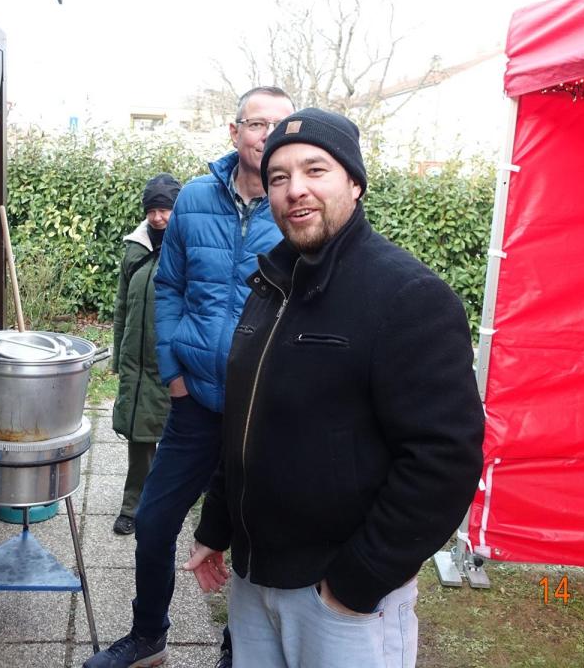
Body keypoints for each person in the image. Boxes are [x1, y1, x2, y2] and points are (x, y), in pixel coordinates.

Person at [185, 108, 485, 668]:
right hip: (254, 582)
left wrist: (356, 581)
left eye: (315, 170)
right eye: (279, 177)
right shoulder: (270, 285)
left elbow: (445, 459)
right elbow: (245, 422)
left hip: (341, 602)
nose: (295, 189)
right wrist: (217, 526)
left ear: (355, 182)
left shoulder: (407, 296)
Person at [84, 86, 295, 668]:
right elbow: (170, 286)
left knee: (252, 531)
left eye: (280, 125)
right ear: (235, 131)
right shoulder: (196, 198)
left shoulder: (296, 207)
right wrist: (174, 372)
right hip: (195, 400)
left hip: (263, 410)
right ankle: (148, 635)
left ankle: (238, 647)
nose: (268, 135)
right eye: (257, 123)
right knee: (153, 521)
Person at [110, 173, 182, 536]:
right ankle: (132, 507)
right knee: (140, 436)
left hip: (170, 362)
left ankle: (167, 503)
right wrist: (117, 355)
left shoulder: (186, 248)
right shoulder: (134, 249)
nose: (157, 217)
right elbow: (122, 306)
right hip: (135, 362)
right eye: (152, 210)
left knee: (174, 435)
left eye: (164, 209)